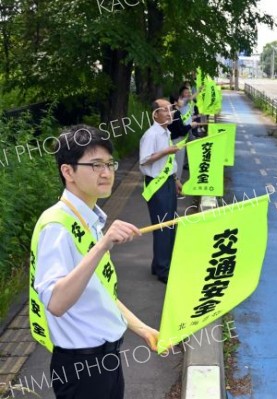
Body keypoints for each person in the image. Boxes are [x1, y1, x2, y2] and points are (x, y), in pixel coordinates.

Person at [30, 125, 160, 399]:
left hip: (106, 360)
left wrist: (142, 328)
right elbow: (55, 302)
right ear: (68, 171)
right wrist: (102, 246)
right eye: (95, 165)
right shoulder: (58, 226)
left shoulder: (88, 219)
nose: (107, 172)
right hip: (82, 368)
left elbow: (99, 290)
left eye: (109, 164)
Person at [139, 99, 181, 283]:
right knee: (163, 225)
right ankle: (164, 270)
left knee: (170, 224)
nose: (169, 113)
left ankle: (159, 265)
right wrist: (166, 152)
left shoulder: (166, 132)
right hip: (157, 183)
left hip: (168, 181)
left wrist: (177, 179)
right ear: (155, 114)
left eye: (170, 109)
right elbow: (144, 160)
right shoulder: (151, 135)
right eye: (164, 110)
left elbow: (170, 161)